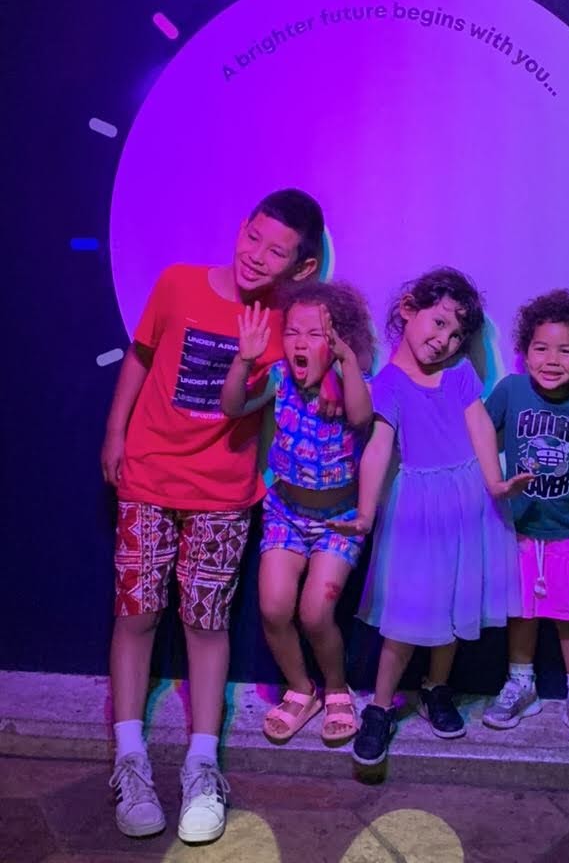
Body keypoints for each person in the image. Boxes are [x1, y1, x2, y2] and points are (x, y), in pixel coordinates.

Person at [102, 189, 324, 842]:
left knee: (205, 623)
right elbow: (141, 358)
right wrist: (115, 431)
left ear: (302, 266)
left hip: (223, 495)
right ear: (242, 227)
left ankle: (203, 766)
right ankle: (129, 760)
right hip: (147, 477)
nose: (256, 255)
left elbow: (240, 407)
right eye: (253, 237)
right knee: (136, 615)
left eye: (277, 251)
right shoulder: (177, 284)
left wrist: (255, 358)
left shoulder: (286, 325)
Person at [330, 267, 532, 767]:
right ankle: (380, 707)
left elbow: (480, 426)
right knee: (406, 616)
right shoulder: (388, 384)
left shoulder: (459, 373)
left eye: (457, 333)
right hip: (418, 509)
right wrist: (364, 513)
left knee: (456, 603)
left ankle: (436, 688)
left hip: (468, 500)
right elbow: (378, 449)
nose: (445, 340)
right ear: (408, 309)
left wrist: (495, 483)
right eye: (439, 323)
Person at [221, 280, 374, 747]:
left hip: (338, 521)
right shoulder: (278, 378)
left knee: (315, 612)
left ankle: (336, 689)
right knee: (273, 607)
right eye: (292, 332)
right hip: (285, 514)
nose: (299, 343)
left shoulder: (351, 384)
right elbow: (232, 406)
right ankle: (301, 689)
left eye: (314, 333)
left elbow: (361, 419)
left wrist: (346, 364)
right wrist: (244, 359)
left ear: (339, 339)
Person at [482, 289, 569, 748]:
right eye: (541, 348)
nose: (552, 360)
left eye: (566, 350)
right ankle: (521, 684)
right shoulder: (511, 390)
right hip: (519, 530)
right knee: (522, 613)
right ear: (525, 351)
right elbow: (481, 434)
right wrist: (491, 484)